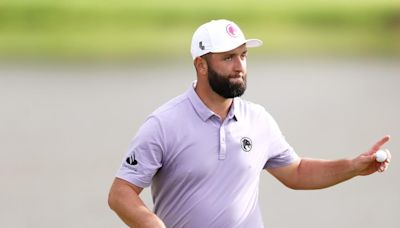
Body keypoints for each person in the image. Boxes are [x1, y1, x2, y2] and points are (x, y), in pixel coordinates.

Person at [108, 19, 392, 228]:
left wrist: (353, 167)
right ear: (201, 65)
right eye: (228, 57)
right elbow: (121, 194)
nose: (239, 66)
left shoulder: (258, 120)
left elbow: (298, 172)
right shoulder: (164, 123)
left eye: (243, 55)